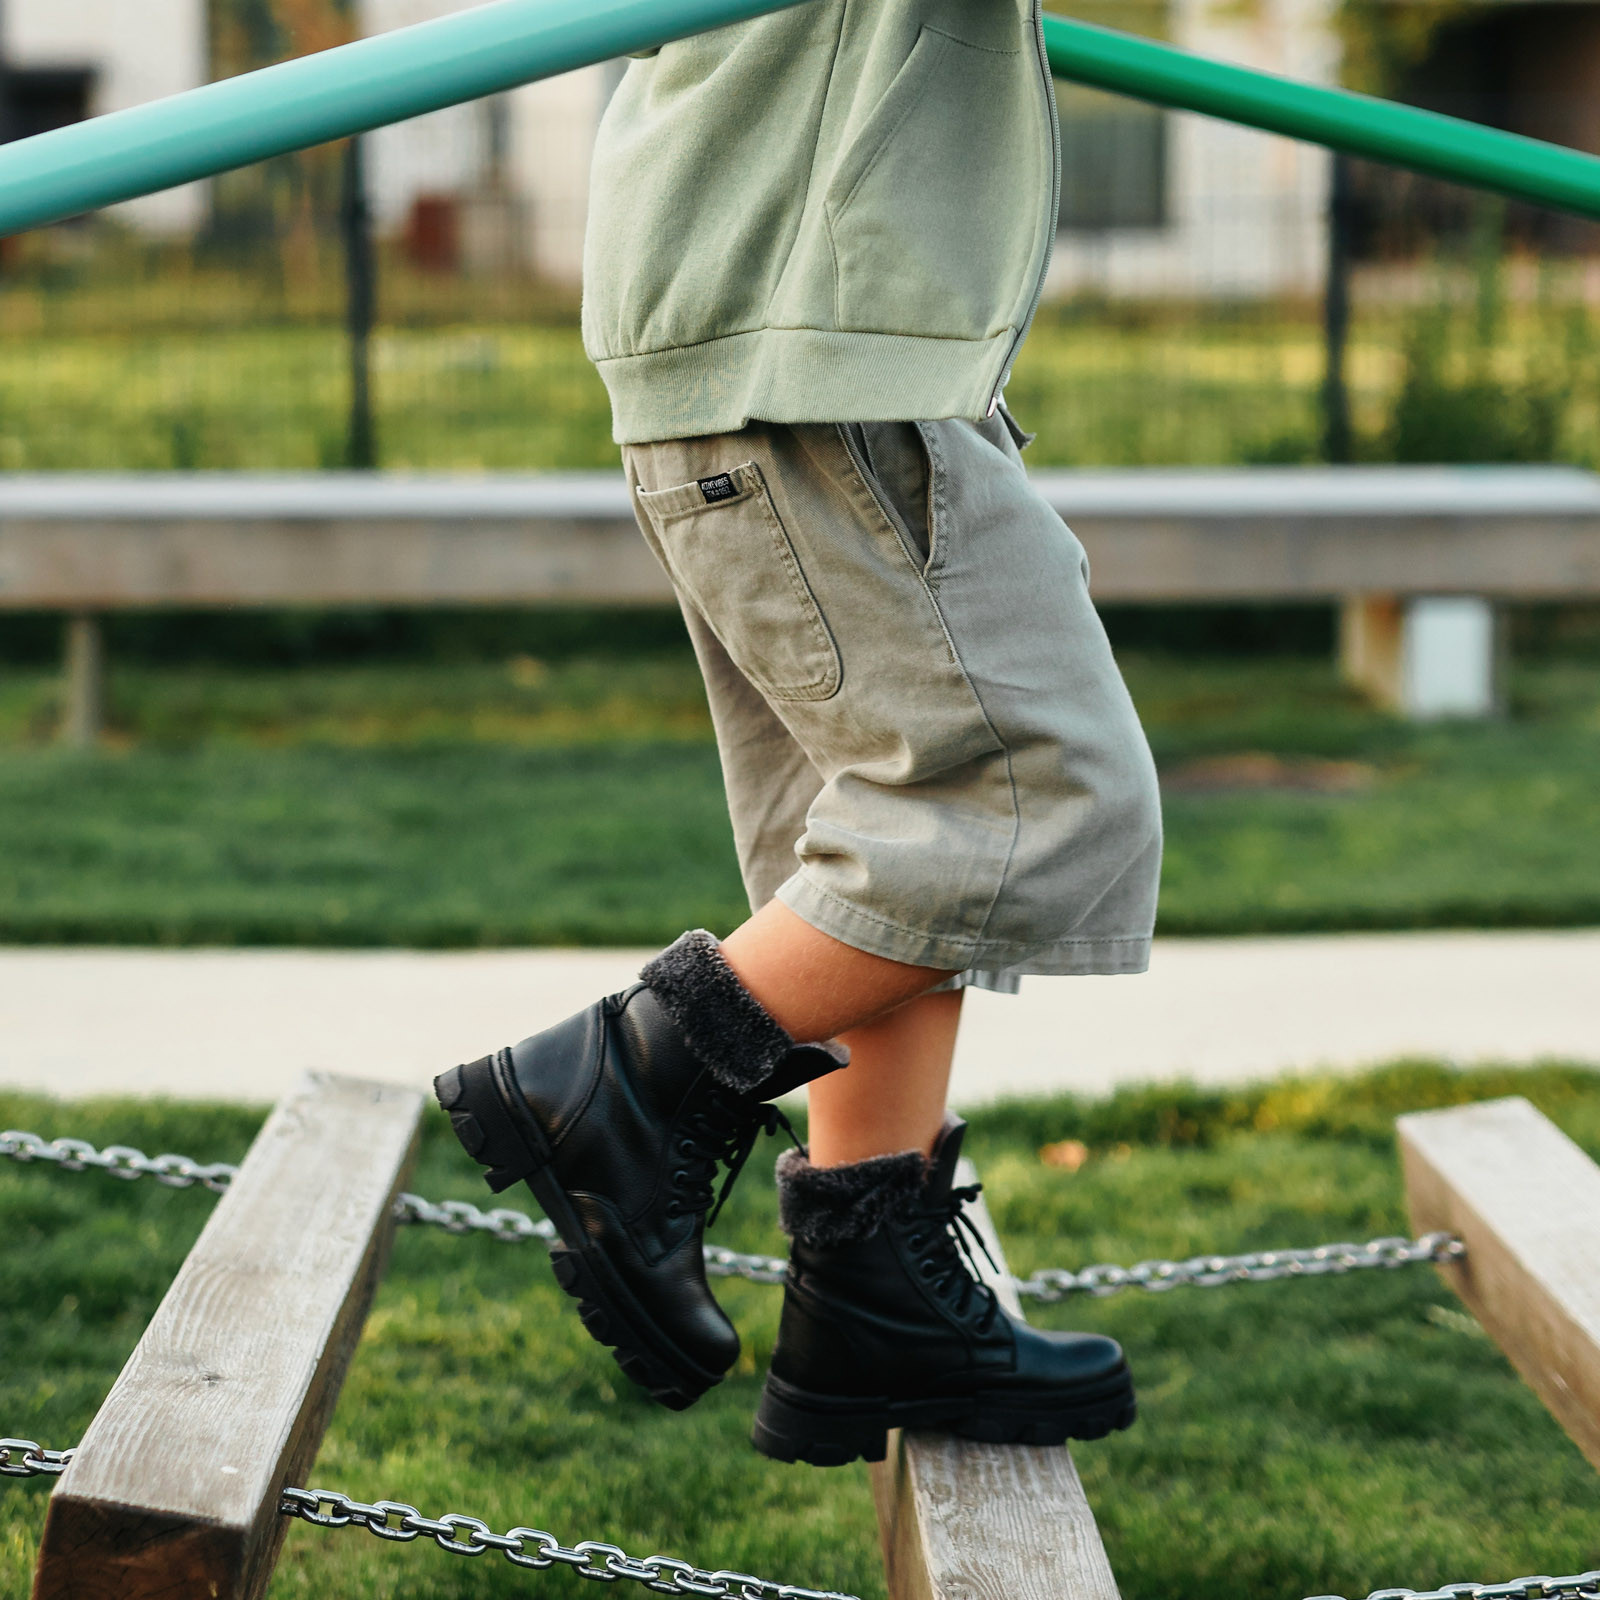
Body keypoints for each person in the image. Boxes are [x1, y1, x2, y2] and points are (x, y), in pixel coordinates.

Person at [435, 0, 1162, 1468]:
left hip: (758, 333)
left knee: (885, 844)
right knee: (1027, 798)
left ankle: (869, 1281)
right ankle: (630, 1081)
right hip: (810, 341)